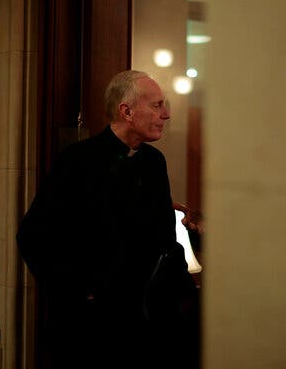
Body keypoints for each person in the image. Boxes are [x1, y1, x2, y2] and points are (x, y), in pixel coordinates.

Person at [16, 70, 198, 369]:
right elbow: (33, 236)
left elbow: (158, 237)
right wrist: (81, 294)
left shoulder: (154, 161)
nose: (166, 114)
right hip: (98, 325)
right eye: (157, 105)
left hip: (152, 321)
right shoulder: (77, 161)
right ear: (126, 111)